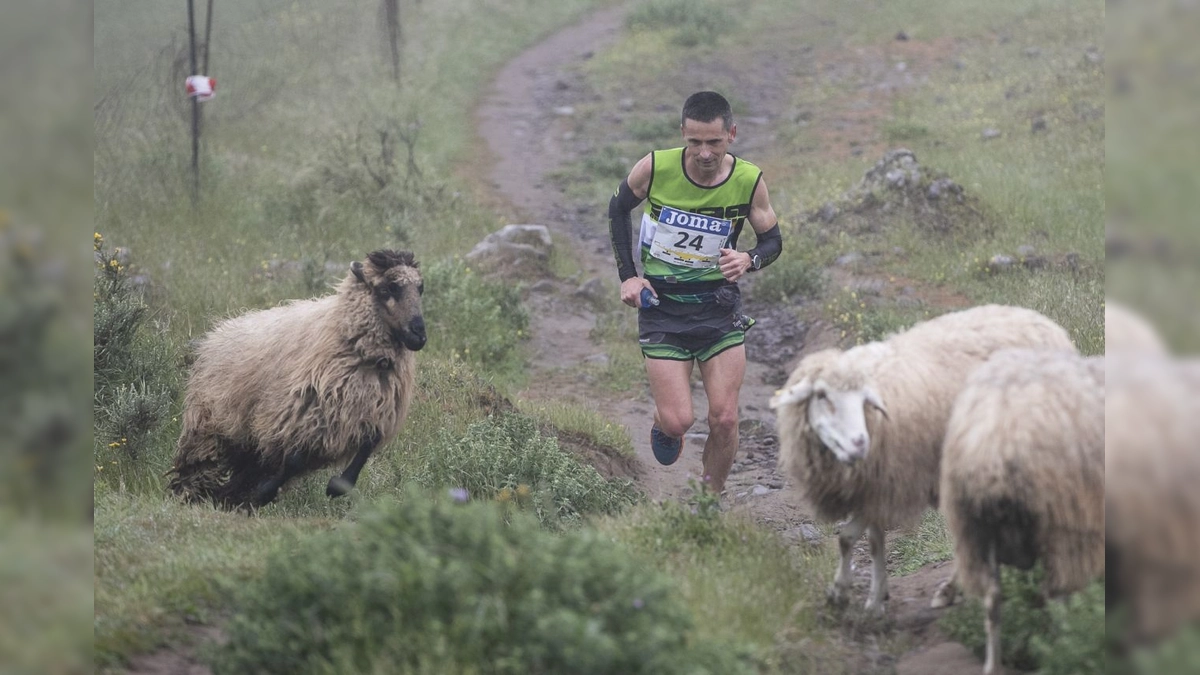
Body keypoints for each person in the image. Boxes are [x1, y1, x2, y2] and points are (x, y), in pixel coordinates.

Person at [607, 91, 783, 496]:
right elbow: (617, 209)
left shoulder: (748, 180)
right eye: (695, 142)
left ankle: (710, 500)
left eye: (715, 143)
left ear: (732, 134)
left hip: (718, 309)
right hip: (662, 309)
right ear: (683, 133)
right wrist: (629, 277)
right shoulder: (655, 167)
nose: (705, 153)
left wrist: (749, 260)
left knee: (724, 418)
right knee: (678, 422)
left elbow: (772, 241)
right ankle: (663, 421)